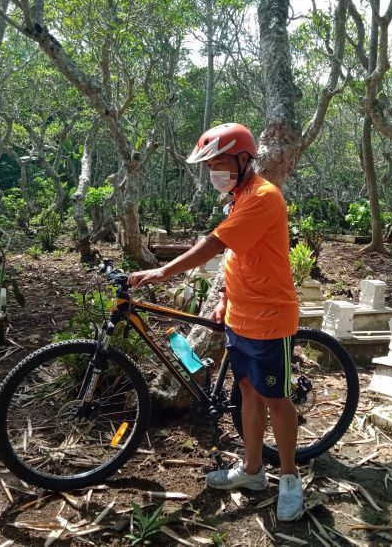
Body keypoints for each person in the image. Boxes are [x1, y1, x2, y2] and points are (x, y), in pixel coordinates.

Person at [127, 123, 303, 521]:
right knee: (247, 393)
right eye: (210, 166)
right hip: (240, 316)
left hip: (271, 318)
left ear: (243, 160)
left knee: (276, 399)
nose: (214, 173)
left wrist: (163, 272)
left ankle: (290, 477)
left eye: (219, 163)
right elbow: (238, 256)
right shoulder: (238, 197)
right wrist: (225, 298)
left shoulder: (263, 196)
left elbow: (218, 243)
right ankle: (254, 471)